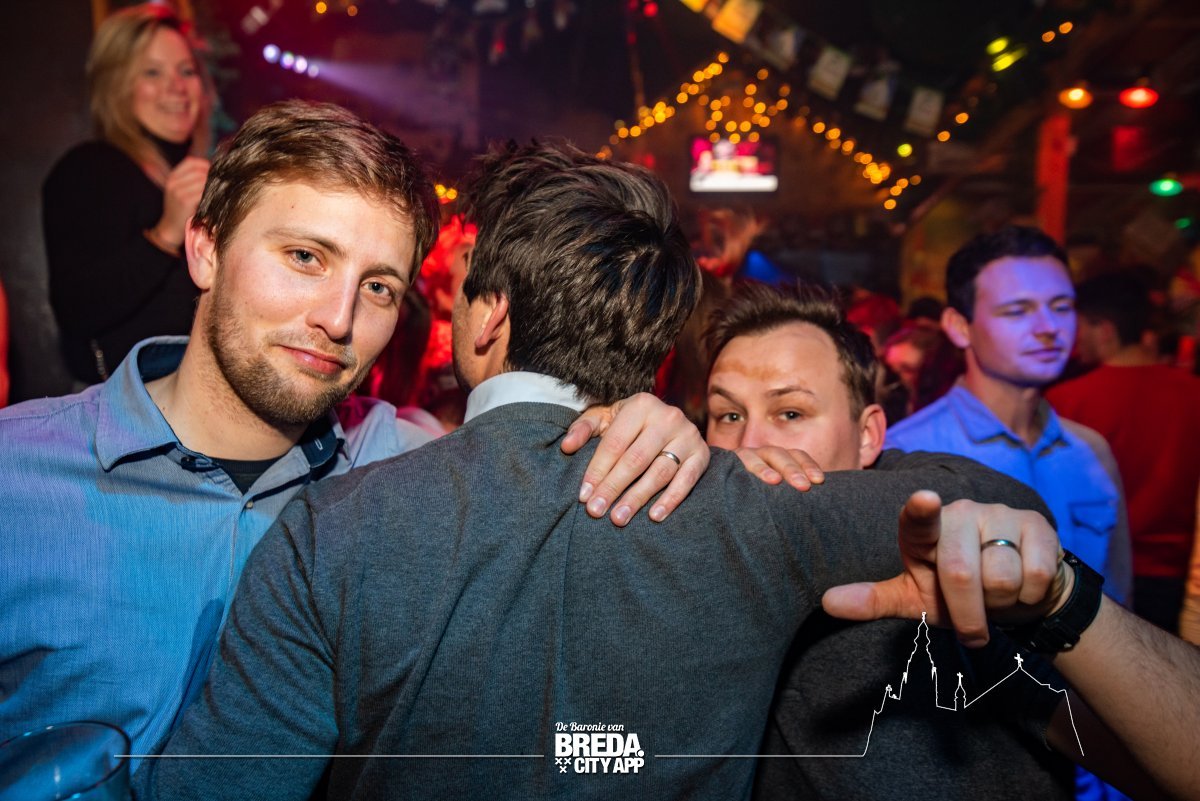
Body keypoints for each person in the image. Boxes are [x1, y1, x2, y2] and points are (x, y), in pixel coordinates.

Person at [134, 142, 1073, 801]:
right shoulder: (755, 511)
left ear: (489, 318)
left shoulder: (334, 525)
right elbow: (1001, 503)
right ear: (655, 353)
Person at [0, 103, 722, 762]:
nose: (338, 319)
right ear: (205, 249)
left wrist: (647, 428)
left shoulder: (411, 471)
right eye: (305, 257)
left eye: (378, 287)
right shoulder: (17, 475)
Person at [705, 284, 1159, 800]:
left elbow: (1150, 760)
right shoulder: (706, 560)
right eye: (729, 416)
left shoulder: (936, 574)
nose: (749, 446)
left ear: (868, 437)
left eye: (790, 413)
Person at [884, 226, 1134, 801]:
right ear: (959, 326)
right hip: (973, 756)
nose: (1048, 327)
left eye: (1061, 306)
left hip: (1100, 758)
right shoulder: (908, 454)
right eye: (1018, 310)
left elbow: (1122, 602)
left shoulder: (1091, 452)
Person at [43, 3, 213, 384]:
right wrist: (164, 235)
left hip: (194, 401)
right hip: (121, 407)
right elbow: (75, 309)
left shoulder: (197, 175)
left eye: (186, 71)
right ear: (116, 85)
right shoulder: (89, 169)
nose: (176, 87)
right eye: (152, 72)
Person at [1047, 271, 1200, 633]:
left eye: (1079, 324)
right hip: (1173, 576)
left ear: (1104, 329)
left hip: (1092, 569)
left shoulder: (1065, 400)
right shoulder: (1193, 393)